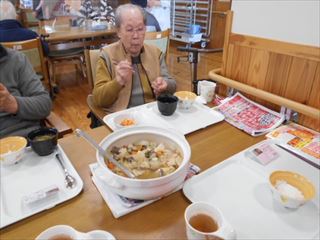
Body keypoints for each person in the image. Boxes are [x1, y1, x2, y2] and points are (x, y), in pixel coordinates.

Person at [92, 3, 176, 112]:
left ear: (145, 29)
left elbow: (172, 84)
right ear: (118, 31)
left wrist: (165, 85)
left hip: (152, 114)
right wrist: (117, 82)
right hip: (122, 118)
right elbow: (98, 99)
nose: (136, 36)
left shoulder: (156, 53)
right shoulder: (107, 55)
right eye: (129, 30)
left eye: (140, 29)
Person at [0, 44, 52, 137]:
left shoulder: (16, 59)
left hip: (26, 138)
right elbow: (46, 49)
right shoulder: (31, 34)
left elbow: (45, 104)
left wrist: (14, 104)